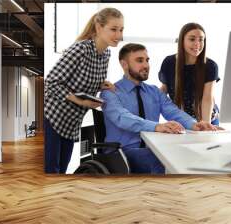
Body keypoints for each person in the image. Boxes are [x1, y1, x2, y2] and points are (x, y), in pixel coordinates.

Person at [100, 43, 218, 174]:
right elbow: (122, 118)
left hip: (152, 148)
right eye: (139, 60)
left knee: (188, 154)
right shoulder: (110, 93)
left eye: (147, 60)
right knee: (163, 159)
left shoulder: (154, 92)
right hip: (122, 153)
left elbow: (174, 112)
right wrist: (157, 126)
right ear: (124, 64)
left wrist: (194, 124)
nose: (146, 65)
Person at [44, 8, 123, 174]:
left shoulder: (106, 54)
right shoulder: (80, 49)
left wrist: (102, 84)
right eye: (114, 29)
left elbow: (85, 80)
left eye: (121, 30)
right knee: (52, 172)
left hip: (72, 122)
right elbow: (51, 82)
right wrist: (80, 101)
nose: (119, 35)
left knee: (62, 171)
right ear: (99, 27)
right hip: (55, 117)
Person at [159, 23, 221, 126]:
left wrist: (206, 125)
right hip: (182, 120)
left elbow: (207, 98)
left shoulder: (210, 66)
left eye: (201, 39)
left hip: (207, 118)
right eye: (192, 39)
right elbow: (164, 90)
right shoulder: (169, 62)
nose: (197, 44)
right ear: (182, 41)